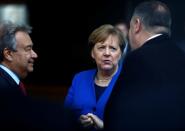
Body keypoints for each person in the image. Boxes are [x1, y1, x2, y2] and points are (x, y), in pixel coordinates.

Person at [104, 1, 185, 130]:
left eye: (129, 28)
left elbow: (116, 113)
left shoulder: (137, 59)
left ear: (136, 25)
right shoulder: (182, 57)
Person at [64, 24, 125, 130]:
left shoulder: (128, 81)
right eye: (101, 48)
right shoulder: (79, 78)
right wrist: (77, 122)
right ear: (92, 53)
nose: (107, 53)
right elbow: (65, 116)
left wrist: (104, 127)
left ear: (120, 54)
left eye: (113, 49)